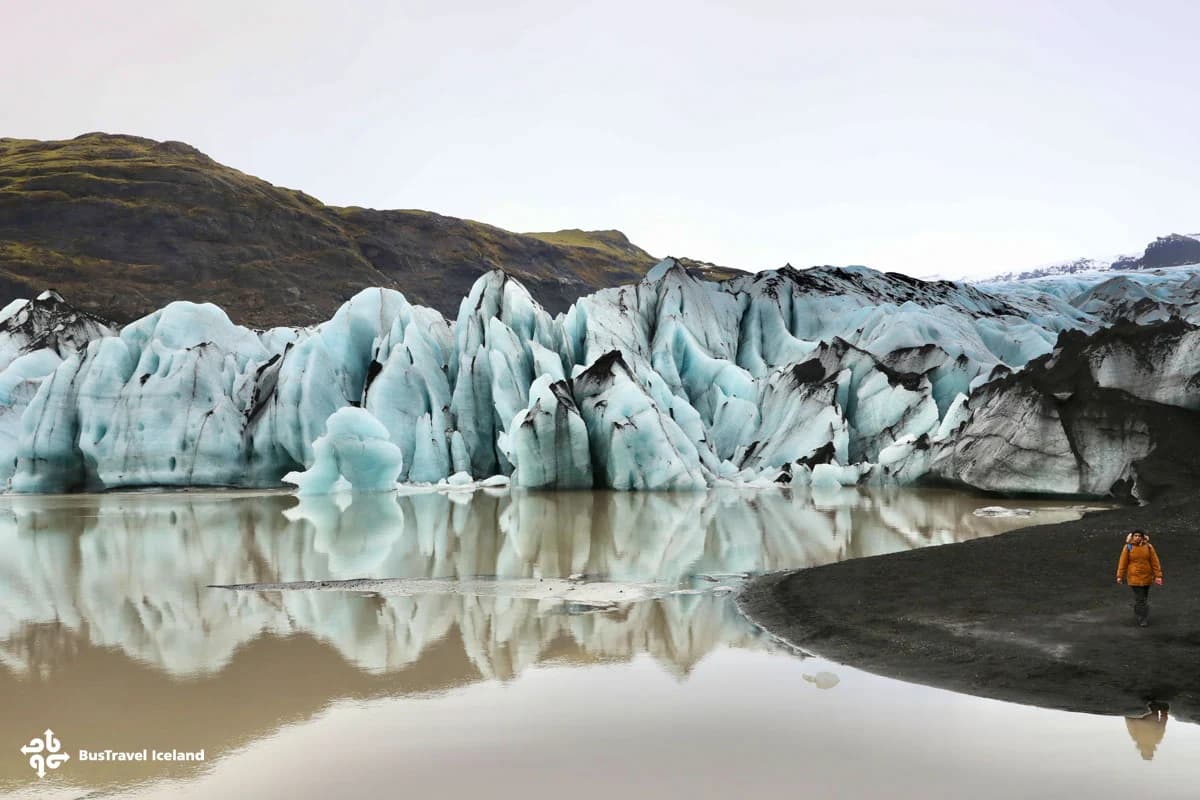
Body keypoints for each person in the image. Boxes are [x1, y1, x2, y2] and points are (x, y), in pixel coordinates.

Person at [1116, 530, 1163, 627]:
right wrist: (1120, 576)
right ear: (1132, 537)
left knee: (1143, 597)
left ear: (1142, 537)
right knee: (1141, 599)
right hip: (1134, 577)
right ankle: (1143, 618)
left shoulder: (1149, 547)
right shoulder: (1128, 547)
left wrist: (1158, 576)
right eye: (1135, 536)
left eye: (1139, 536)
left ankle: (1138, 611)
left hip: (1147, 577)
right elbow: (1122, 563)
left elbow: (1155, 562)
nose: (1137, 537)